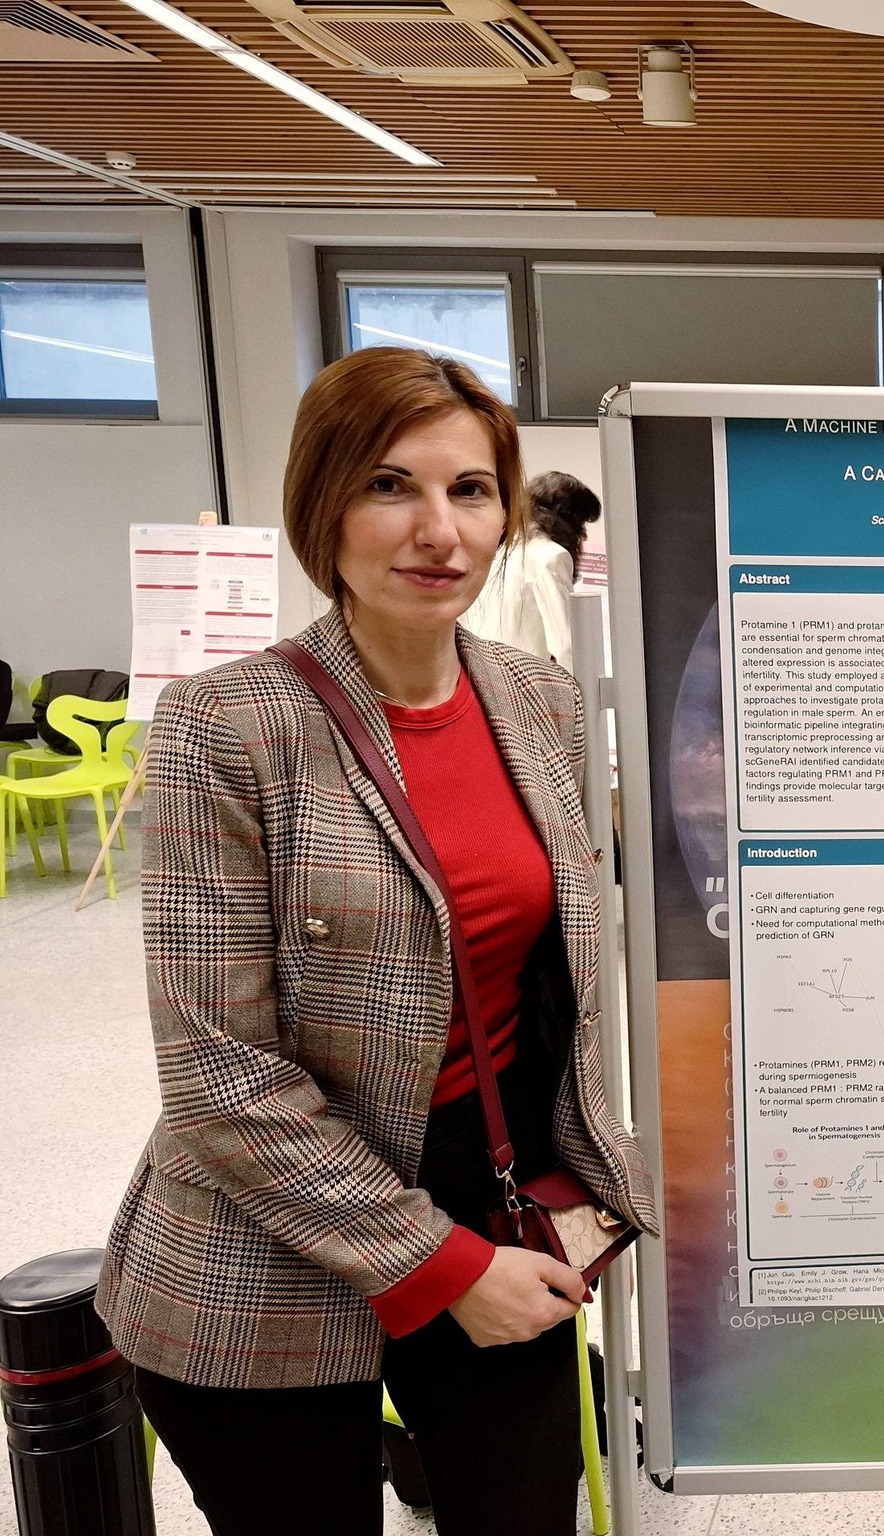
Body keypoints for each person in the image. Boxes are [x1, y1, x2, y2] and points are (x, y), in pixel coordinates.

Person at [96, 347, 657, 1536]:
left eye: (471, 490)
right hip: (270, 1222)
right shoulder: (226, 723)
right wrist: (438, 1267)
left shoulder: (538, 702)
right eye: (390, 486)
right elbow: (213, 1069)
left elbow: (556, 988)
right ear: (324, 506)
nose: (437, 531)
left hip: (493, 1192)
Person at [461, 469, 600, 673]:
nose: (584, 535)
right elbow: (564, 644)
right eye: (581, 523)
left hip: (483, 674)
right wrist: (582, 690)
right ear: (568, 518)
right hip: (525, 680)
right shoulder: (551, 556)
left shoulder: (501, 553)